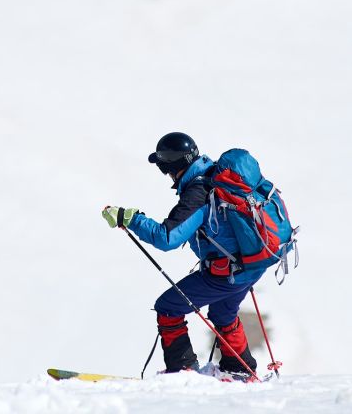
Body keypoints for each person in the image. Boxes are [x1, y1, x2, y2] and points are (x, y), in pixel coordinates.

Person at [101, 132, 266, 377]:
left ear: (173, 165)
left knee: (168, 307)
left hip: (227, 272)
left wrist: (131, 218)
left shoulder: (198, 192)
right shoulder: (216, 177)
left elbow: (167, 238)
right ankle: (239, 370)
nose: (165, 174)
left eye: (163, 167)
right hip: (253, 263)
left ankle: (182, 370)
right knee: (223, 314)